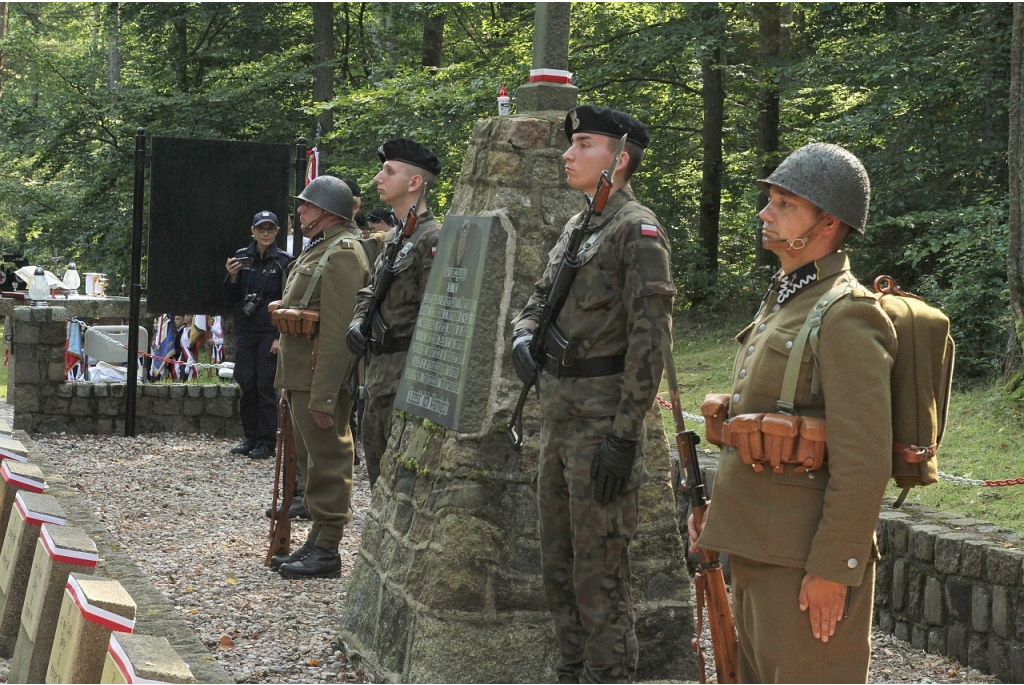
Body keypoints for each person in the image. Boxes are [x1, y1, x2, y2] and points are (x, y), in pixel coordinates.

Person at [691, 143, 896, 683]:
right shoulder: (787, 298)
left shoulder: (848, 313)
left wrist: (834, 569)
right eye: (770, 200)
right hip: (759, 546)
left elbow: (864, 460)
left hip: (805, 558)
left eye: (784, 204)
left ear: (827, 223)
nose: (766, 212)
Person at [511, 105, 675, 684]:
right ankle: (570, 668)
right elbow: (537, 298)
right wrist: (523, 334)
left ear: (619, 159)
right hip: (559, 418)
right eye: (571, 143)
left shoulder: (637, 231)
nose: (568, 153)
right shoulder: (578, 227)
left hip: (602, 424)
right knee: (556, 563)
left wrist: (624, 439)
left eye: (583, 143)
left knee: (599, 571)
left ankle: (608, 674)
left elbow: (650, 343)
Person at [270, 175, 370, 579]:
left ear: (329, 212)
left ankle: (327, 550)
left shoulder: (343, 253)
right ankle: (315, 541)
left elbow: (336, 331)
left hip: (318, 377)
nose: (301, 211)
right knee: (312, 463)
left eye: (308, 205)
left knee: (329, 459)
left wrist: (326, 394)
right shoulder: (321, 249)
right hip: (301, 375)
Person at [346, 139, 442, 489]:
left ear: (414, 183)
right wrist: (358, 321)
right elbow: (369, 291)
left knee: (404, 483)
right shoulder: (394, 239)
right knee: (377, 478)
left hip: (405, 379)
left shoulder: (432, 239)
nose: (377, 178)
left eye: (388, 171)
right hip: (378, 375)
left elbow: (433, 317)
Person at [223, 210, 293, 459]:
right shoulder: (242, 258)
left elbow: (290, 301)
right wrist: (231, 277)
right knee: (247, 384)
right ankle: (250, 436)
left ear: (277, 232)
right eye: (261, 229)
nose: (265, 233)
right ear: (252, 231)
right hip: (246, 331)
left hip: (268, 332)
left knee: (265, 386)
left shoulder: (285, 262)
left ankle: (266, 441)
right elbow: (230, 299)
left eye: (270, 229)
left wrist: (279, 336)